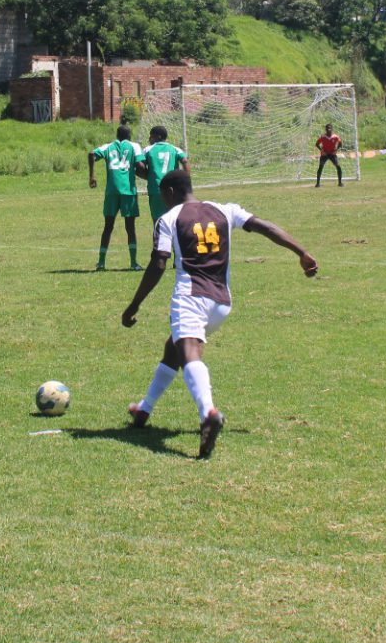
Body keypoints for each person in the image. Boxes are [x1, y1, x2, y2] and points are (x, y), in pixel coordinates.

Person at [120, 169, 317, 459]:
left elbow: (159, 263)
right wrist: (301, 252)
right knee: (173, 348)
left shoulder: (168, 219)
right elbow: (264, 226)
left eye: (163, 196)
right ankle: (144, 409)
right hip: (222, 302)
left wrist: (134, 305)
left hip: (190, 296)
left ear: (170, 192)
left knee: (189, 352)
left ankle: (208, 413)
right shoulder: (225, 210)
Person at [89, 125, 144, 271]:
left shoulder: (108, 146)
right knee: (130, 228)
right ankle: (133, 263)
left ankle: (101, 263)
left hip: (111, 191)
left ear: (117, 134)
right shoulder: (134, 146)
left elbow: (91, 154)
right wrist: (148, 175)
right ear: (129, 135)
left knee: (108, 226)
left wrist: (92, 176)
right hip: (128, 191)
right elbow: (139, 164)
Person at [138, 125, 189, 220]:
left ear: (158, 137)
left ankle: (159, 235)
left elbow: (139, 164)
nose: (149, 138)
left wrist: (147, 175)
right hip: (174, 190)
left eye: (151, 136)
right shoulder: (175, 149)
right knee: (174, 220)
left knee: (158, 222)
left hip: (156, 189)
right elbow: (185, 161)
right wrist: (185, 180)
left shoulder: (147, 149)